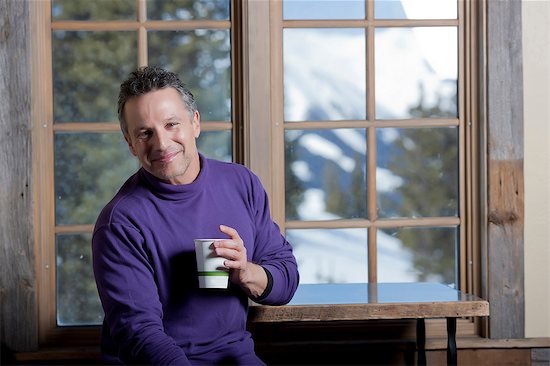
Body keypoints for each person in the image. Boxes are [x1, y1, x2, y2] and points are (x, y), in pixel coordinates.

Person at [92, 66, 299, 365]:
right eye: (145, 133)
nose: (162, 144)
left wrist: (246, 273)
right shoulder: (120, 223)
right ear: (130, 143)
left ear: (195, 123)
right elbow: (140, 335)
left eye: (172, 124)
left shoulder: (241, 183)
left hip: (236, 357)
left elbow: (287, 280)